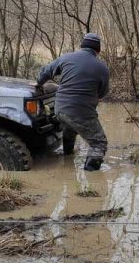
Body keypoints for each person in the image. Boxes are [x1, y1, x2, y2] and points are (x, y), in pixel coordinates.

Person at [37, 33, 110, 171]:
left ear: (81, 47)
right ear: (98, 50)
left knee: (69, 130)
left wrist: (39, 84)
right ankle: (91, 174)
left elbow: (44, 72)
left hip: (60, 110)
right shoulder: (102, 68)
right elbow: (103, 93)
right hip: (81, 112)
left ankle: (67, 159)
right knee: (99, 143)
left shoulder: (66, 58)